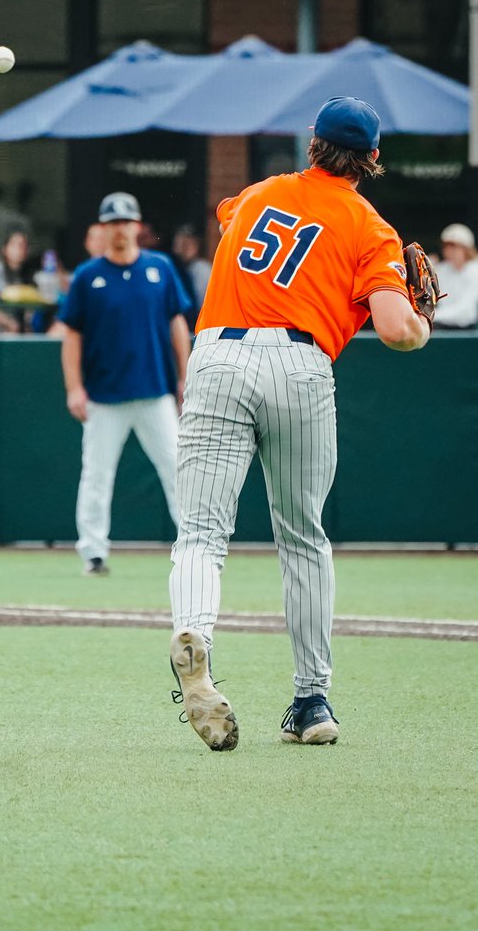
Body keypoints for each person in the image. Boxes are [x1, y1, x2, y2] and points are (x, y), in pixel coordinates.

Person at [168, 97, 431, 753]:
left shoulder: (257, 195)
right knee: (304, 538)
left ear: (313, 143)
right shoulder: (371, 227)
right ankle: (312, 700)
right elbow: (398, 332)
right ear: (372, 159)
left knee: (201, 533)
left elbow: (249, 234)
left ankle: (194, 634)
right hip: (299, 362)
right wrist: (420, 320)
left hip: (219, 352)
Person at [60, 192, 192, 576]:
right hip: (104, 395)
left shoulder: (160, 268)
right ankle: (93, 552)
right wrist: (74, 387)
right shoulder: (88, 276)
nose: (120, 229)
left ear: (137, 226)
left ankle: (194, 547)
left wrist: (185, 377)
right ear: (103, 228)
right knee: (97, 474)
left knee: (176, 468)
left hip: (155, 391)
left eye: (125, 222)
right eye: (112, 223)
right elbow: (72, 336)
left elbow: (177, 325)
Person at [432, 223, 478, 329]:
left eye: (455, 247)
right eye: (447, 247)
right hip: (442, 326)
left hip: (469, 332)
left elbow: (465, 312)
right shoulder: (441, 269)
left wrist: (433, 315)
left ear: (466, 249)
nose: (450, 252)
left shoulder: (474, 271)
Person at [171, 224, 212, 318]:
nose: (185, 247)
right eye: (182, 243)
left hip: (198, 324)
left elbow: (203, 305)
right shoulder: (172, 266)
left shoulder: (201, 268)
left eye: (190, 243)